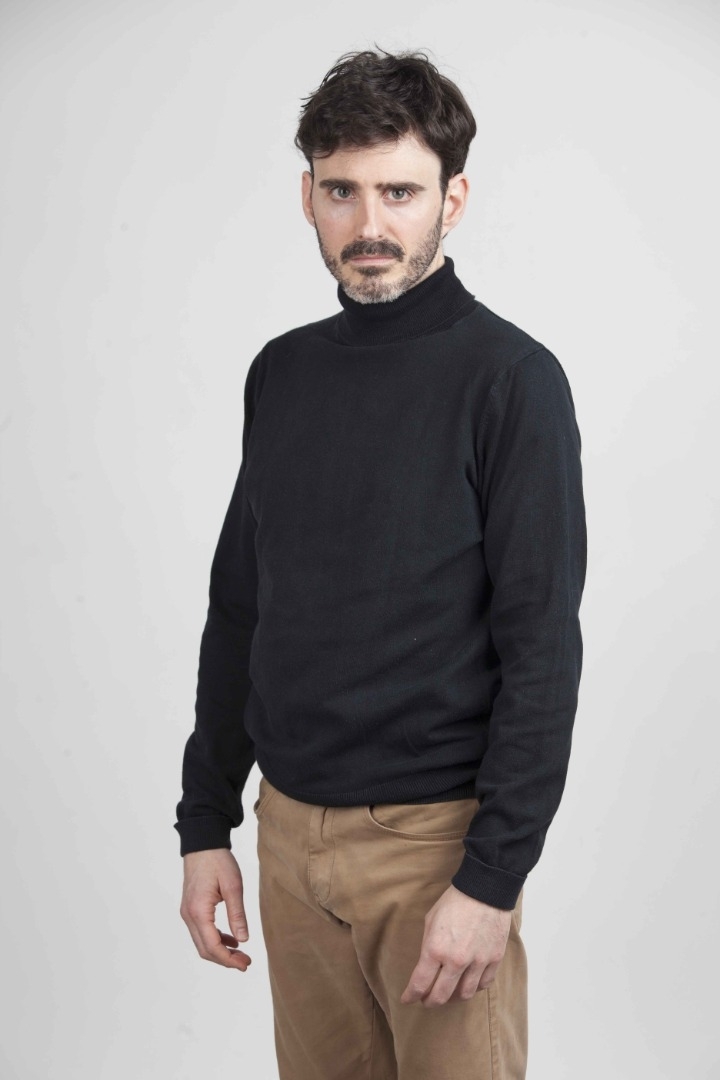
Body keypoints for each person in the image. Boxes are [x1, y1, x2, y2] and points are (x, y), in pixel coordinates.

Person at [174, 48, 587, 1080]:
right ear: (307, 197)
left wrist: (491, 881)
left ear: (453, 199)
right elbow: (241, 607)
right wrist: (205, 822)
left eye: (399, 192)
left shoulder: (512, 381)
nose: (369, 224)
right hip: (286, 837)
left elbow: (541, 648)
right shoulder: (283, 373)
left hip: (433, 849)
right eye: (342, 191)